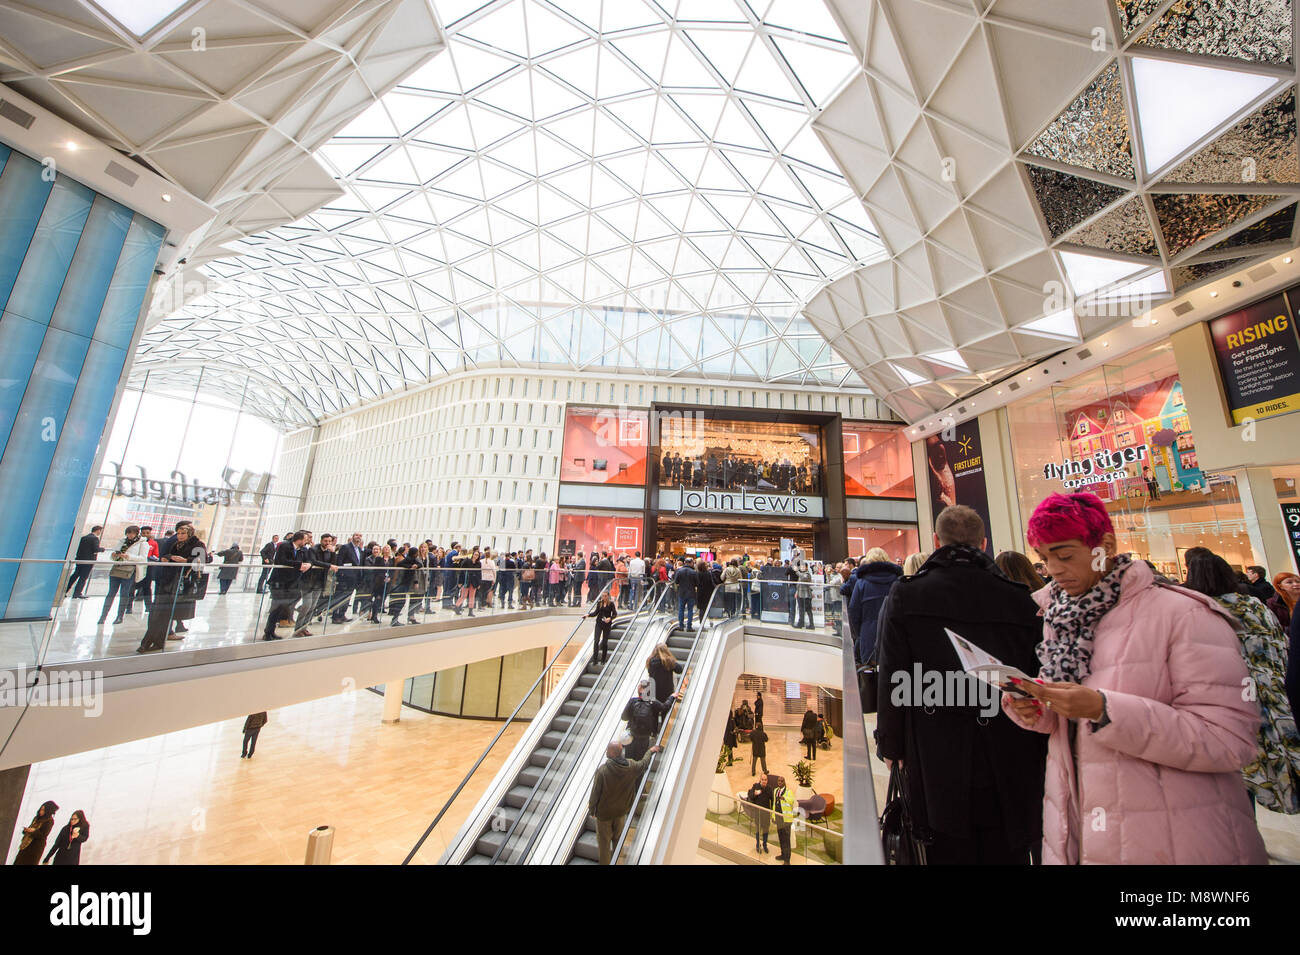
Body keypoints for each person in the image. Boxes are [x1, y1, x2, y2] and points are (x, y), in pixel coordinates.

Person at [1003, 492, 1267, 864]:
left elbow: (1230, 740)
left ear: (1104, 546)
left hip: (1177, 839)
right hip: (1084, 830)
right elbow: (1075, 727)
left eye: (1064, 556)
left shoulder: (1182, 615)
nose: (1054, 569)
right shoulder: (1059, 618)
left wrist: (1105, 710)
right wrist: (1038, 707)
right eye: (1045, 559)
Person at [876, 504, 1047, 865]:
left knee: (944, 848)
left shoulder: (908, 595)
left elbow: (893, 677)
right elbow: (1036, 678)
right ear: (984, 543)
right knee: (1006, 850)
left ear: (936, 541)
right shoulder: (1020, 598)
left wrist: (891, 745)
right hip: (1010, 750)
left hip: (935, 753)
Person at [1184, 548, 1300, 814]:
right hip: (1271, 694)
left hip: (1225, 702)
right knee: (1271, 760)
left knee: (1235, 773)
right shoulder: (1254, 606)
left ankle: (1246, 831)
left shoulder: (1198, 610)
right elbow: (1281, 646)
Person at [588, 740, 661, 865]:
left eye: (607, 750)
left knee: (604, 845)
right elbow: (643, 764)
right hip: (621, 812)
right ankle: (618, 861)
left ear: (612, 753)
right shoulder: (631, 767)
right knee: (618, 841)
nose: (606, 751)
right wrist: (650, 751)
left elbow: (595, 794)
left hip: (604, 816)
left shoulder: (602, 771)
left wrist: (592, 810)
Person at [138, 523, 205, 653]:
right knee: (158, 614)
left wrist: (185, 561)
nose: (180, 536)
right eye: (179, 533)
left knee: (161, 613)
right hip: (168, 581)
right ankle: (150, 642)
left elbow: (203, 560)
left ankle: (151, 642)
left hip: (182, 584)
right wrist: (168, 558)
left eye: (183, 533)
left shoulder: (197, 544)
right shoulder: (175, 544)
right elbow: (165, 556)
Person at [844, 550, 902, 664]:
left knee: (870, 675)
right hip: (894, 634)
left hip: (868, 634)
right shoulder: (898, 581)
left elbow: (853, 611)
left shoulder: (861, 583)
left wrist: (860, 633)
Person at [263, 531, 308, 641]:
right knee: (275, 607)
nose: (306, 542)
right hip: (279, 581)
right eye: (305, 540)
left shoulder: (301, 550)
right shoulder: (285, 546)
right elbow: (282, 560)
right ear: (300, 539)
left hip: (290, 582)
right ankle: (268, 632)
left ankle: (271, 631)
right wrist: (299, 565)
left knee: (280, 608)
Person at [98, 525, 148, 625]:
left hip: (129, 570)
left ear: (137, 533)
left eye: (132, 533)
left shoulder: (143, 543)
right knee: (111, 593)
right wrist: (114, 556)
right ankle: (103, 616)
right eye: (128, 533)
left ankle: (120, 616)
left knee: (124, 593)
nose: (130, 535)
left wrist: (128, 556)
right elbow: (114, 555)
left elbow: (143, 558)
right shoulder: (122, 541)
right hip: (117, 568)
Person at [621, 678, 678, 760]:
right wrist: (671, 697)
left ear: (640, 689)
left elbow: (624, 717)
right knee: (641, 759)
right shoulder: (653, 702)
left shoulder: (633, 701)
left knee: (629, 759)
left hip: (631, 735)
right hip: (645, 737)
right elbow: (665, 707)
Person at [13, 800, 58, 865]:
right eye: (41, 809)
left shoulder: (49, 821)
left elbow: (43, 835)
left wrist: (34, 831)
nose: (41, 811)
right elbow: (30, 828)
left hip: (35, 848)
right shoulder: (36, 818)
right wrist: (26, 830)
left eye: (43, 810)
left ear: (48, 811)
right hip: (26, 845)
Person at [65, 527, 103, 598]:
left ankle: (65, 590)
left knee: (75, 575)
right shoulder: (95, 539)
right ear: (98, 530)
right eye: (100, 531)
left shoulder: (83, 538)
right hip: (88, 561)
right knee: (83, 577)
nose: (100, 533)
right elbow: (96, 549)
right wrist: (102, 549)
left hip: (80, 560)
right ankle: (77, 593)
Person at [771, 775, 796, 864]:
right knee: (781, 838)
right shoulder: (775, 791)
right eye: (778, 781)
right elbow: (774, 804)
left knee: (786, 840)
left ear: (784, 782)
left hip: (786, 820)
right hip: (778, 819)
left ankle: (787, 860)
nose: (780, 783)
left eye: (781, 781)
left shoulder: (789, 792)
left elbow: (792, 801)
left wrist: (784, 798)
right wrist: (773, 816)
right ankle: (782, 854)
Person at [746, 773, 772, 853]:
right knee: (758, 829)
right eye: (762, 779)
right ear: (760, 780)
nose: (764, 781)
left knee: (765, 829)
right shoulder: (756, 786)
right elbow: (749, 795)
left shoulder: (769, 788)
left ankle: (764, 845)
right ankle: (758, 845)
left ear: (767, 781)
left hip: (766, 813)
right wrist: (754, 793)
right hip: (758, 812)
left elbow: (773, 799)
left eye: (765, 780)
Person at [589, 592, 616, 665]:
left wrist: (609, 618)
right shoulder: (599, 603)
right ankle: (595, 659)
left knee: (604, 642)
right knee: (596, 641)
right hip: (599, 623)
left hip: (607, 624)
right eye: (603, 596)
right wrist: (588, 615)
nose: (604, 597)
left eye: (605, 596)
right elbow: (595, 613)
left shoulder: (611, 604)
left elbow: (614, 614)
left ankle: (603, 660)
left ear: (608, 596)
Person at [674, 559, 698, 631]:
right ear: (691, 563)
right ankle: (689, 626)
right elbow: (697, 583)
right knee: (690, 610)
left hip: (682, 592)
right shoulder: (693, 572)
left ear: (685, 563)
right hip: (691, 593)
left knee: (681, 609)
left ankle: (681, 625)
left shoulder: (679, 571)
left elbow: (676, 581)